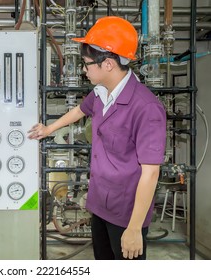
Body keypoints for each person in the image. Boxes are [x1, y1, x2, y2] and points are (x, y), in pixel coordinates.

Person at [28, 16, 166, 260]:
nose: (83, 69)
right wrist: (49, 129)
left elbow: (151, 173)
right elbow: (80, 110)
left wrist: (134, 229)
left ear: (109, 64)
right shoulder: (102, 92)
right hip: (100, 204)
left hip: (126, 213)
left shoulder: (146, 108)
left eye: (87, 63)